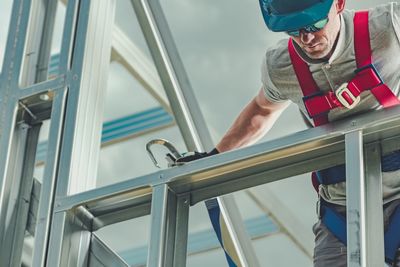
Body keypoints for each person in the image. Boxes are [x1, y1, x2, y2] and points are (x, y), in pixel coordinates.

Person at [179, 0, 400, 266]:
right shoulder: (281, 67)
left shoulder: (388, 26)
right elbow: (262, 109)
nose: (306, 38)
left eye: (314, 24)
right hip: (343, 212)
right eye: (293, 30)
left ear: (339, 4)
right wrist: (213, 157)